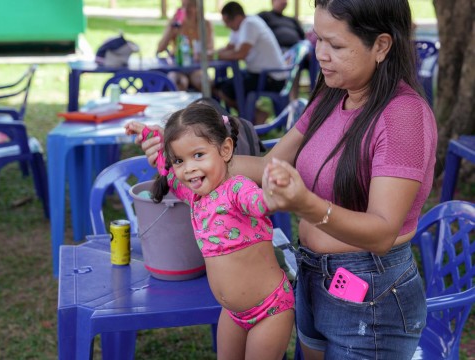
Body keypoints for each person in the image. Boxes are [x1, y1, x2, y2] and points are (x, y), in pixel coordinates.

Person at [140, 0, 438, 358]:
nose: (321, 55)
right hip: (312, 273)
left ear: (381, 45)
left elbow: (382, 232)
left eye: (336, 45)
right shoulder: (333, 94)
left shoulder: (403, 117)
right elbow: (269, 164)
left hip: (370, 296)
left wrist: (307, 206)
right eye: (318, 39)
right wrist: (189, 156)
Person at [125, 103, 295, 360]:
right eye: (180, 160)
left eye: (198, 155)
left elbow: (259, 202)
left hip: (270, 309)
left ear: (225, 150)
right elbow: (168, 173)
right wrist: (151, 137)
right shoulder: (193, 195)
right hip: (233, 314)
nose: (189, 167)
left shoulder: (237, 188)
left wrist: (275, 193)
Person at [213, 1, 287, 124]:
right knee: (219, 86)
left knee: (226, 89)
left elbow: (240, 54)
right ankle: (251, 116)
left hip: (271, 78)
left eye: (228, 22)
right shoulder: (240, 26)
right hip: (259, 73)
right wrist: (212, 54)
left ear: (237, 18)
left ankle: (253, 116)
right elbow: (229, 48)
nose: (226, 26)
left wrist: (215, 55)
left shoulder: (250, 24)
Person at [156, 0, 214, 91]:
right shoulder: (176, 24)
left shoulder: (205, 24)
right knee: (178, 82)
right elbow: (160, 49)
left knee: (203, 82)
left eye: (191, 6)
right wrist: (171, 29)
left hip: (197, 67)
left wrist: (201, 54)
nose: (187, 9)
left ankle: (202, 104)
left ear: (198, 8)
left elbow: (210, 48)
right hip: (177, 66)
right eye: (184, 6)